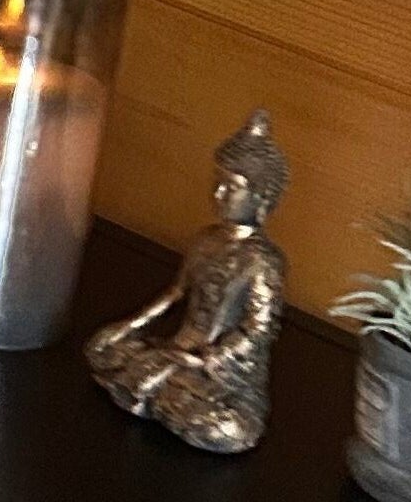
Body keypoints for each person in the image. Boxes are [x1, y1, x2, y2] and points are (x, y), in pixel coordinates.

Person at [85, 110, 290, 453]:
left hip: (220, 375)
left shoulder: (264, 262)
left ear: (262, 199)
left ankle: (157, 393)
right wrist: (127, 326)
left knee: (229, 430)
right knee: (100, 348)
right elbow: (175, 293)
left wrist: (208, 358)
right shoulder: (206, 240)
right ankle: (158, 393)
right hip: (176, 351)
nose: (219, 192)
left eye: (232, 187)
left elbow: (258, 330)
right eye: (217, 181)